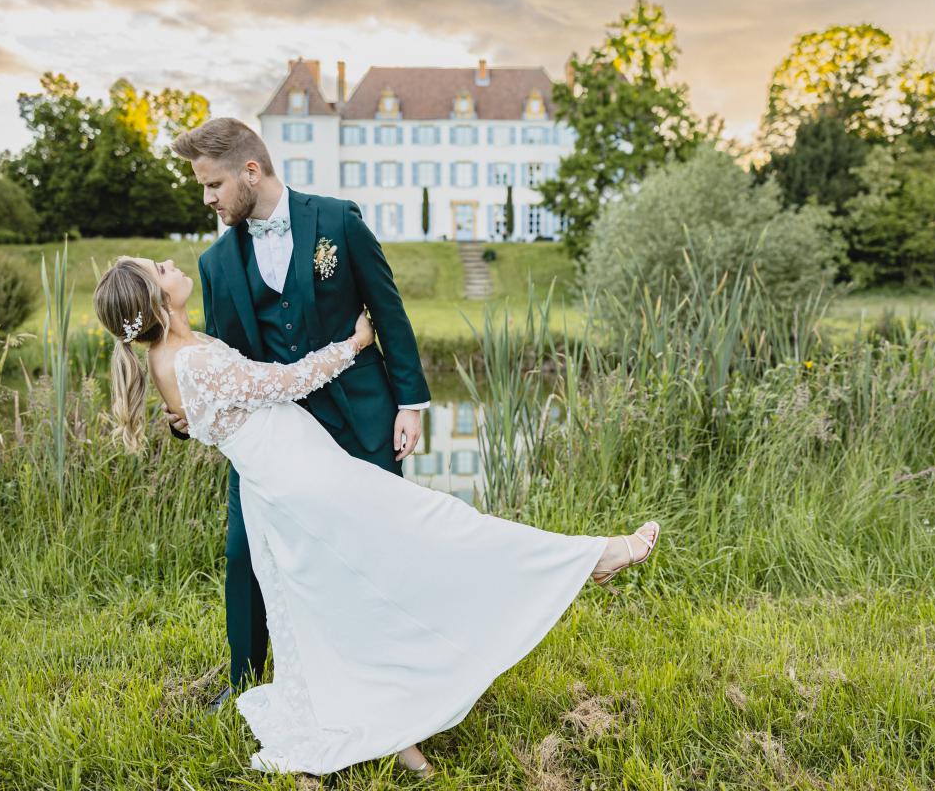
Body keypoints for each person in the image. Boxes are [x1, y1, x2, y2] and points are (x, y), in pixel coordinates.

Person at [93, 256, 661, 778]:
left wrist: (185, 418)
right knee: (433, 526)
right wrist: (356, 343)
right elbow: (282, 384)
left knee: (346, 595)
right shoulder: (186, 357)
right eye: (159, 268)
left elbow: (207, 410)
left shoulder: (183, 350)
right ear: (156, 298)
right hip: (302, 484)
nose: (171, 264)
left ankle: (394, 726)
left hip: (292, 481)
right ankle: (592, 557)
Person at [163, 117, 432, 715]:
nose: (206, 199)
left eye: (212, 185)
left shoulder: (337, 220)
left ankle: (396, 673)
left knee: (379, 541)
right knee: (242, 550)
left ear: (250, 172)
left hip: (362, 415)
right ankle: (245, 680)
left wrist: (410, 402)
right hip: (272, 431)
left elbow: (387, 310)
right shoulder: (214, 263)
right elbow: (228, 360)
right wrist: (190, 412)